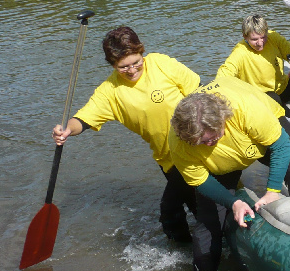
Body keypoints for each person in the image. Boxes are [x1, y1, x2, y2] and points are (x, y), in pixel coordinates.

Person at [52, 27, 201, 243]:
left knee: (175, 208)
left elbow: (200, 92)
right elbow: (83, 119)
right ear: (112, 65)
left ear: (142, 52)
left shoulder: (161, 63)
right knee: (188, 207)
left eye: (136, 62)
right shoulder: (110, 91)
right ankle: (191, 249)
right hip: (170, 160)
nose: (132, 70)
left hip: (199, 146)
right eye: (123, 67)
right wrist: (66, 130)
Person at [168, 77, 290, 271]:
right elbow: (200, 180)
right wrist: (235, 203)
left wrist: (273, 190)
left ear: (223, 120)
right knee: (209, 219)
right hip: (219, 164)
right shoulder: (179, 143)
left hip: (260, 140)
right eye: (201, 143)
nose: (208, 144)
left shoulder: (245, 109)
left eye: (213, 138)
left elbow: (281, 145)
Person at [216, 14, 290, 111]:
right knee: (275, 99)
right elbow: (223, 75)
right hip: (262, 96)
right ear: (245, 36)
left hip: (283, 86)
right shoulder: (240, 52)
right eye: (254, 39)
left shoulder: (273, 37)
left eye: (263, 37)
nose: (260, 43)